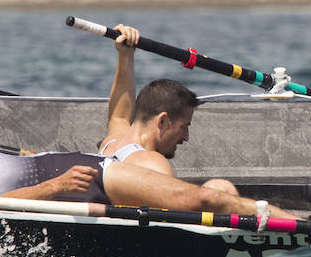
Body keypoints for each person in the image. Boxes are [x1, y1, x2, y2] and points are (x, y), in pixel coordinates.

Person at [0, 139, 296, 222]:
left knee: (209, 201)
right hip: (68, 191)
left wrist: (54, 183)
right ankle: (272, 230)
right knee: (218, 194)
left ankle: (306, 229)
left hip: (90, 173)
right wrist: (53, 189)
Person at [97, 24, 238, 195]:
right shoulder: (153, 165)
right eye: (184, 126)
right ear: (162, 121)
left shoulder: (111, 143)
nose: (186, 137)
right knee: (221, 188)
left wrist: (125, 55)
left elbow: (119, 116)